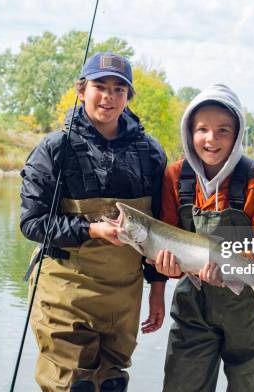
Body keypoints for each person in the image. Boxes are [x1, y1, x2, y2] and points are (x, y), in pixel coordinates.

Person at [20, 51, 168, 392]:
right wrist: (89, 229)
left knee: (113, 383)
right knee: (74, 385)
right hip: (64, 291)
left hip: (123, 294)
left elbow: (159, 229)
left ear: (129, 97)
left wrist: (157, 289)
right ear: (81, 89)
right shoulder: (54, 149)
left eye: (119, 89)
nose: (109, 97)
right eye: (100, 86)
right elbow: (32, 223)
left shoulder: (151, 153)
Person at [151, 84, 254, 391]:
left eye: (223, 130)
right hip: (194, 306)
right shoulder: (175, 177)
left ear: (237, 134)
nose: (211, 139)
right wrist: (164, 267)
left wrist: (228, 272)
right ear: (189, 132)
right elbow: (166, 234)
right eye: (202, 129)